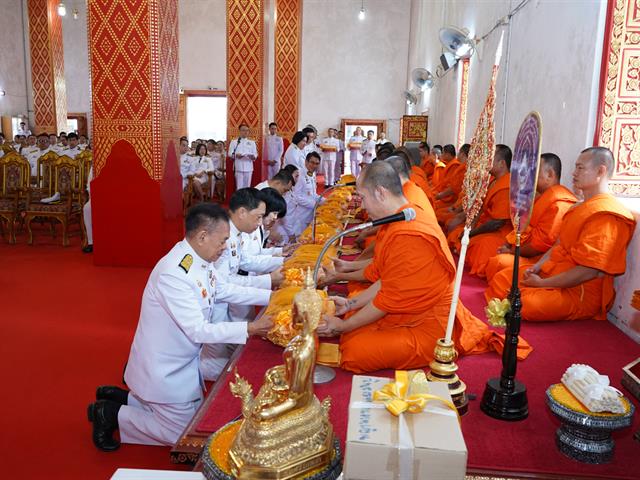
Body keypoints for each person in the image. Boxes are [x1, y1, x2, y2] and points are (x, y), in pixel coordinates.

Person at [87, 204, 274, 450]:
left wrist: (272, 297)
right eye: (222, 241)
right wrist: (250, 328)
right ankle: (111, 413)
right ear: (202, 236)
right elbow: (198, 330)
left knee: (195, 417)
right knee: (186, 436)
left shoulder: (197, 256)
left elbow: (224, 290)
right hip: (164, 366)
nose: (225, 247)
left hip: (181, 361)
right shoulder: (174, 274)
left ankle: (127, 399)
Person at [316, 162, 529, 373]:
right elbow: (386, 279)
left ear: (381, 193)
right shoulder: (398, 221)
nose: (362, 205)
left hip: (431, 325)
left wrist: (344, 326)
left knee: (355, 351)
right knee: (353, 328)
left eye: (363, 197)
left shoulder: (409, 233)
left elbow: (387, 297)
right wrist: (350, 303)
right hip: (408, 309)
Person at [485, 147, 636, 322]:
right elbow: (559, 243)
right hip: (554, 272)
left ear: (600, 171)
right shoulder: (578, 207)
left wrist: (542, 284)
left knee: (526, 304)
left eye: (580, 168)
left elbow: (589, 272)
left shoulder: (607, 214)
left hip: (579, 290)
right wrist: (538, 267)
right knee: (502, 279)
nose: (574, 173)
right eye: (575, 167)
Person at [484, 153, 577, 279]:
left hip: (539, 260)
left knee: (498, 263)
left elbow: (541, 245)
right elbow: (523, 227)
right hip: (522, 250)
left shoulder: (559, 203)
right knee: (494, 257)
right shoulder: (540, 197)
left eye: (534, 172)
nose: (530, 177)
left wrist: (512, 252)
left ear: (550, 174)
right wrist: (508, 244)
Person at [446, 145, 512, 258]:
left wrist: (472, 233)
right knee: (455, 234)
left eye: (490, 157)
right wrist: (470, 227)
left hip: (500, 232)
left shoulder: (507, 186)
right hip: (483, 223)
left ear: (501, 163)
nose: (486, 160)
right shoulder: (493, 180)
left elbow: (497, 223)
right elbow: (480, 207)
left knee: (475, 246)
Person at [284, 151, 322, 237]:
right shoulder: (299, 175)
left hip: (310, 213)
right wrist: (314, 204)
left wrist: (325, 200)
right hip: (300, 215)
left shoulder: (312, 174)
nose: (314, 165)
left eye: (317, 163)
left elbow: (313, 194)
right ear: (306, 162)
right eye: (312, 162)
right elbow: (296, 197)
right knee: (300, 239)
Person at [227, 124, 258, 189]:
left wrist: (253, 156)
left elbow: (255, 154)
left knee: (247, 187)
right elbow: (230, 153)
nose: (245, 132)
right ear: (240, 131)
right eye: (243, 130)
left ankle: (246, 199)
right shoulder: (234, 142)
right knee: (239, 187)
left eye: (247, 130)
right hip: (238, 167)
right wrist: (236, 155)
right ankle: (239, 199)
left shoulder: (252, 142)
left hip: (249, 167)